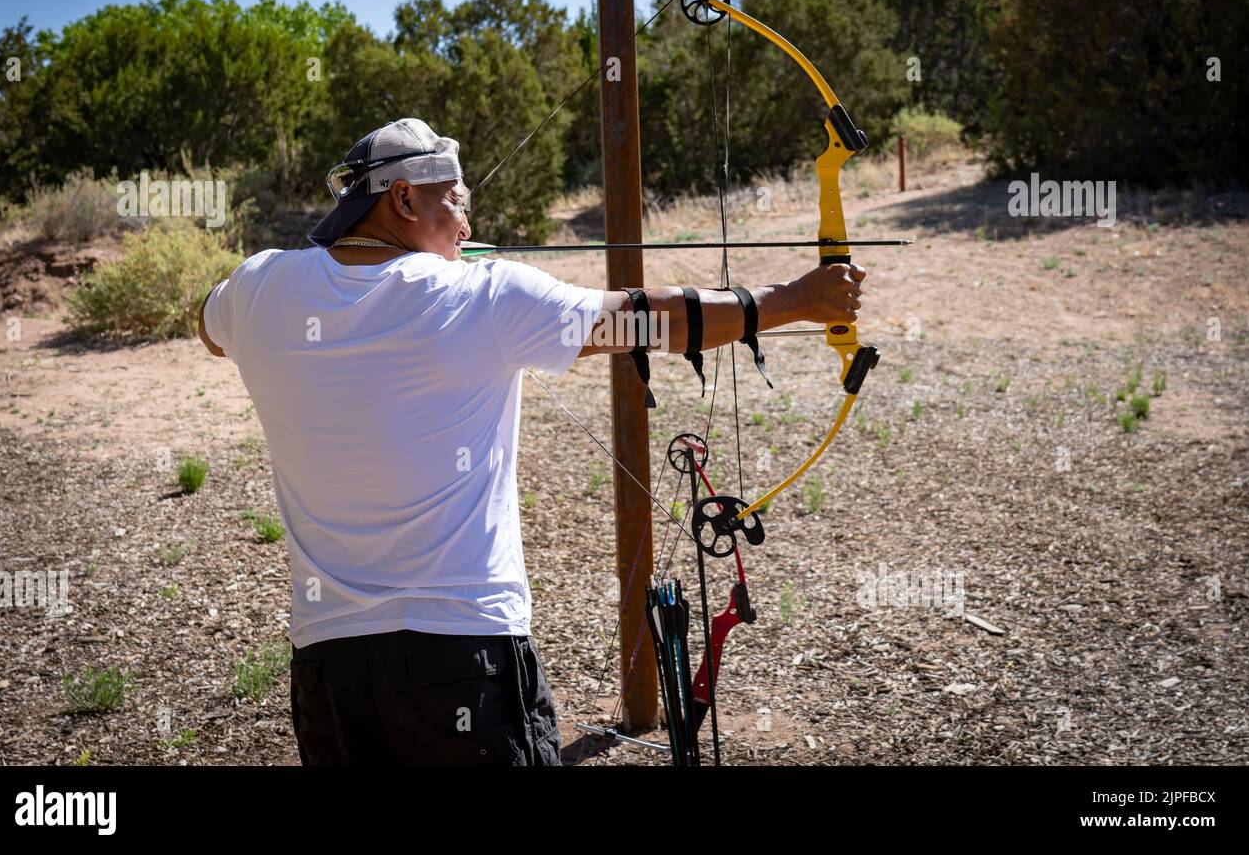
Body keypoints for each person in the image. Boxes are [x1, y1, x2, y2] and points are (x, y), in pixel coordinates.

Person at [197, 118, 866, 764]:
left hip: (330, 673)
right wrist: (793, 301)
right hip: (465, 659)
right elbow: (650, 320)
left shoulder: (259, 288)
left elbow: (210, 324)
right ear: (403, 198)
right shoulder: (486, 298)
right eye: (454, 200)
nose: (466, 219)